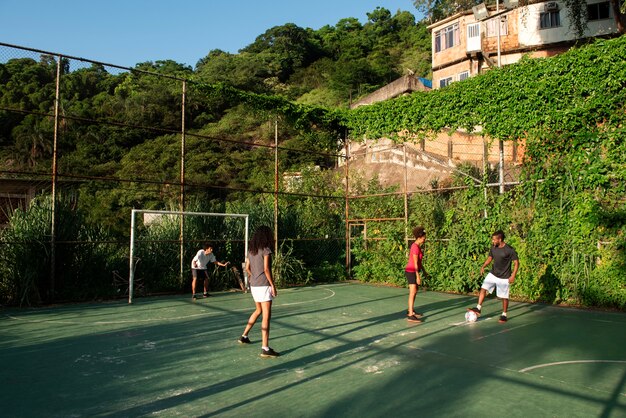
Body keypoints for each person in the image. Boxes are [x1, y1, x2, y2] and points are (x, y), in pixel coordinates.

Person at [238, 226, 279, 358]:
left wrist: (253, 276)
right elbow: (266, 269)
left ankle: (244, 336)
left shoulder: (251, 250)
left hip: (254, 285)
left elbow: (247, 268)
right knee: (266, 316)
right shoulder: (266, 250)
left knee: (258, 311)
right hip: (264, 285)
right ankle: (265, 348)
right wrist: (273, 285)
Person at [468, 230, 519, 323]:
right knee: (483, 288)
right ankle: (478, 308)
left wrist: (513, 275)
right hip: (493, 273)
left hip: (504, 277)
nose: (493, 241)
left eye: (494, 239)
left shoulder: (509, 250)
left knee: (504, 297)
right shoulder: (493, 247)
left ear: (500, 239)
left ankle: (504, 314)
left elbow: (516, 263)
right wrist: (483, 266)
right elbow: (490, 258)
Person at [405, 226, 427, 323]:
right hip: (411, 271)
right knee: (412, 292)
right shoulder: (415, 247)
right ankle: (410, 315)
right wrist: (418, 276)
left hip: (414, 271)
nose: (425, 239)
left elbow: (419, 262)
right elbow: (414, 263)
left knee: (415, 292)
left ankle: (411, 310)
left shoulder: (418, 247)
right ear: (419, 237)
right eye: (424, 238)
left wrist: (425, 271)